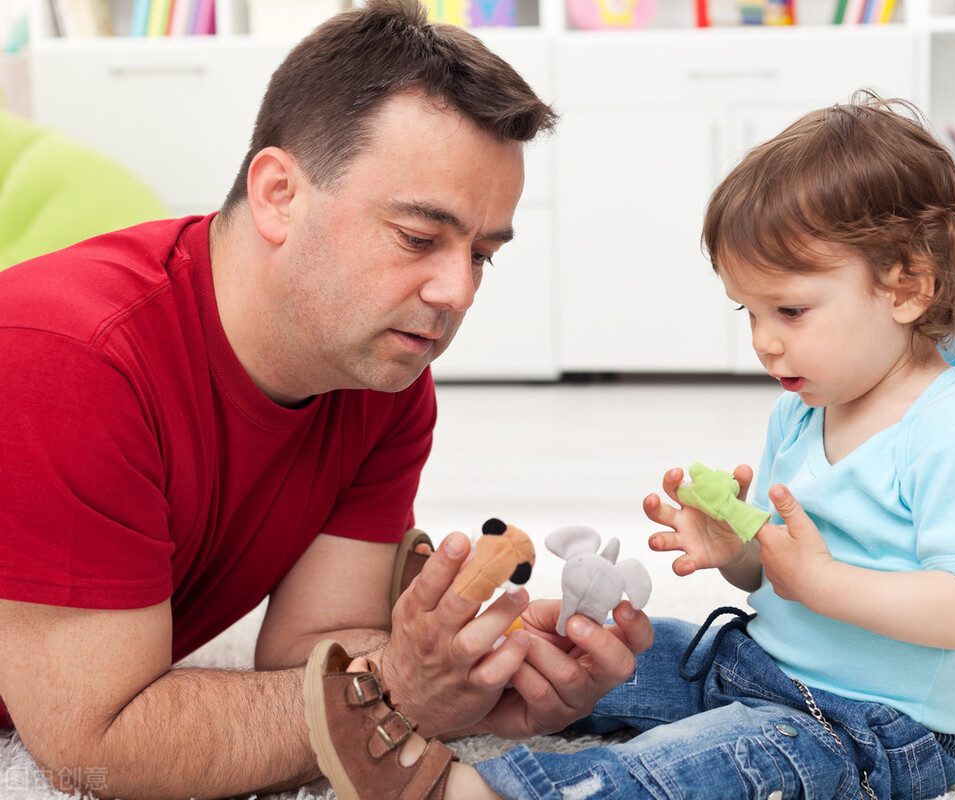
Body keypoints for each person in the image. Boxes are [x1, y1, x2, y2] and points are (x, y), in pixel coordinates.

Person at [0, 2, 652, 797]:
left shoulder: (382, 374)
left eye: (482, 255)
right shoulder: (71, 360)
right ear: (278, 194)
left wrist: (473, 681)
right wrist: (396, 692)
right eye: (418, 237)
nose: (457, 293)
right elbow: (92, 745)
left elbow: (313, 644)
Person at [305, 92, 955, 799]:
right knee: (626, 650)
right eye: (747, 312)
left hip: (870, 731)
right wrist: (740, 552)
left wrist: (822, 584)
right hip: (757, 661)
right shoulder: (805, 408)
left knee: (703, 764)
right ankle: (472, 663)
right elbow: (777, 577)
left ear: (907, 287)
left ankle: (469, 790)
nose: (764, 341)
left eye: (789, 310)